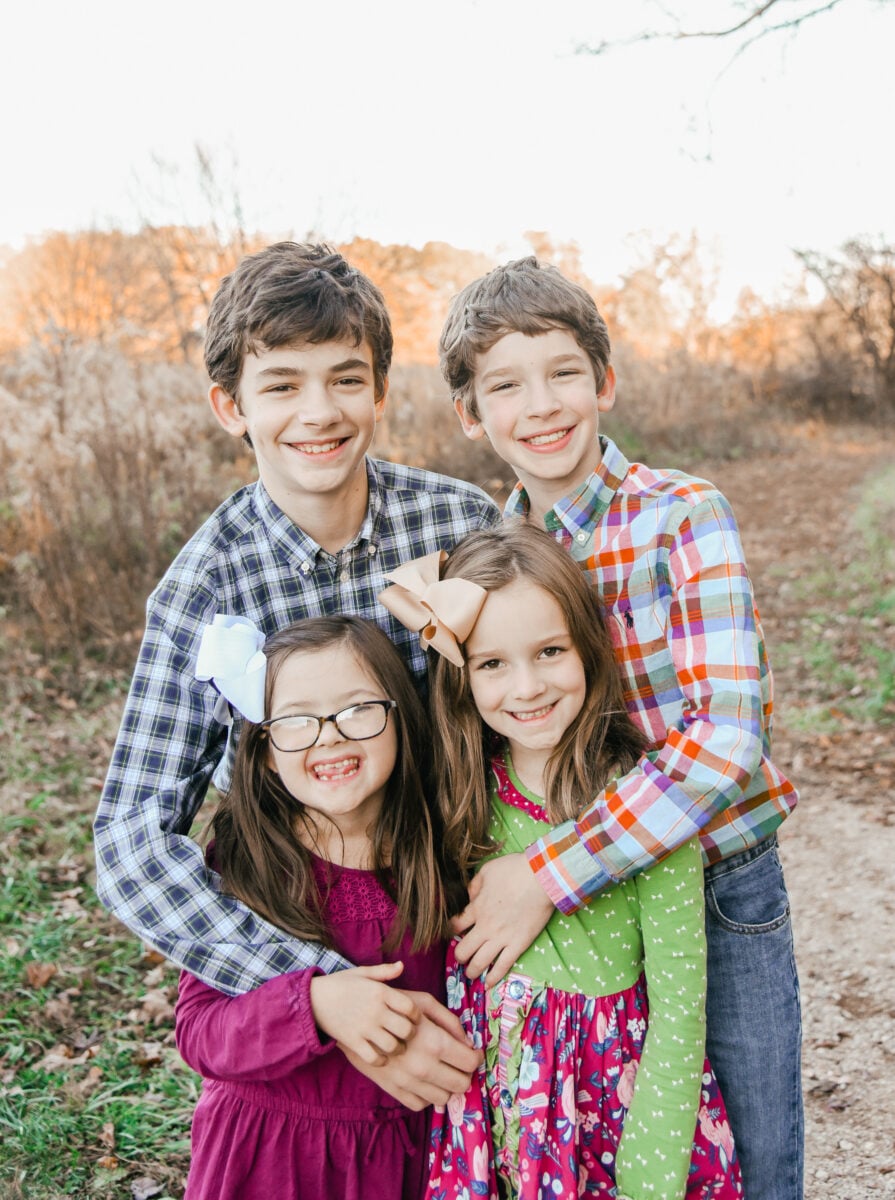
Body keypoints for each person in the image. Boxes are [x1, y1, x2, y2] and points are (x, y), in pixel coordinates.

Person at [94, 242, 493, 1108]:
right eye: (281, 385)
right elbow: (130, 838)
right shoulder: (203, 590)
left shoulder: (462, 524)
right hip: (319, 928)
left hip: (473, 921)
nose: (319, 411)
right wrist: (315, 987)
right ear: (229, 406)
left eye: (346, 379)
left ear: (380, 391)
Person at [435, 257, 802, 1200]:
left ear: (604, 380)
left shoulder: (681, 517)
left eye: (562, 372)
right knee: (585, 1125)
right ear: (472, 415)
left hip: (713, 881)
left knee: (747, 1146)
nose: (541, 404)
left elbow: (724, 740)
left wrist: (548, 874)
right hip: (574, 903)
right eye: (504, 385)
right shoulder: (489, 556)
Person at [380, 523, 744, 1199]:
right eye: (491, 663)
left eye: (549, 651)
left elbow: (678, 1011)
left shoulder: (644, 811)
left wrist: (651, 1173)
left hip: (612, 1111)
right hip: (491, 1114)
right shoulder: (462, 798)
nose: (526, 687)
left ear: (586, 648)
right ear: (461, 675)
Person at [175, 615, 462, 1199]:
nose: (329, 736)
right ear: (264, 751)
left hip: (402, 1158)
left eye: (358, 709)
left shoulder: (440, 851)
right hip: (272, 1159)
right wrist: (316, 1005)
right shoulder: (245, 863)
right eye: (297, 720)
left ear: (401, 720)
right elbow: (200, 1032)